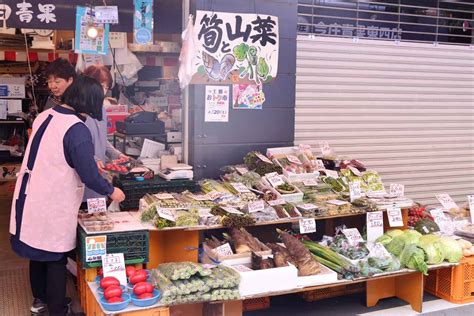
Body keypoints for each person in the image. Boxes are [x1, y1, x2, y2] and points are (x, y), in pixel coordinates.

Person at [10, 75, 126, 316]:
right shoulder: (76, 129)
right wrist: (112, 191)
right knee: (54, 256)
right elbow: (89, 176)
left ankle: (39, 301)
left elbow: (54, 153)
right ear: (89, 100)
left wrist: (90, 161)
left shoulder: (45, 116)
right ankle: (58, 309)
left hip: (31, 193)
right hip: (52, 198)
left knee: (37, 250)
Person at [81, 65, 128, 205]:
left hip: (99, 176)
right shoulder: (79, 111)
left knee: (97, 217)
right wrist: (93, 159)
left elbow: (103, 140)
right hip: (84, 174)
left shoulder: (102, 110)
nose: (103, 91)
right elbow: (79, 146)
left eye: (106, 87)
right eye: (100, 85)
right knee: (82, 214)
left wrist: (117, 155)